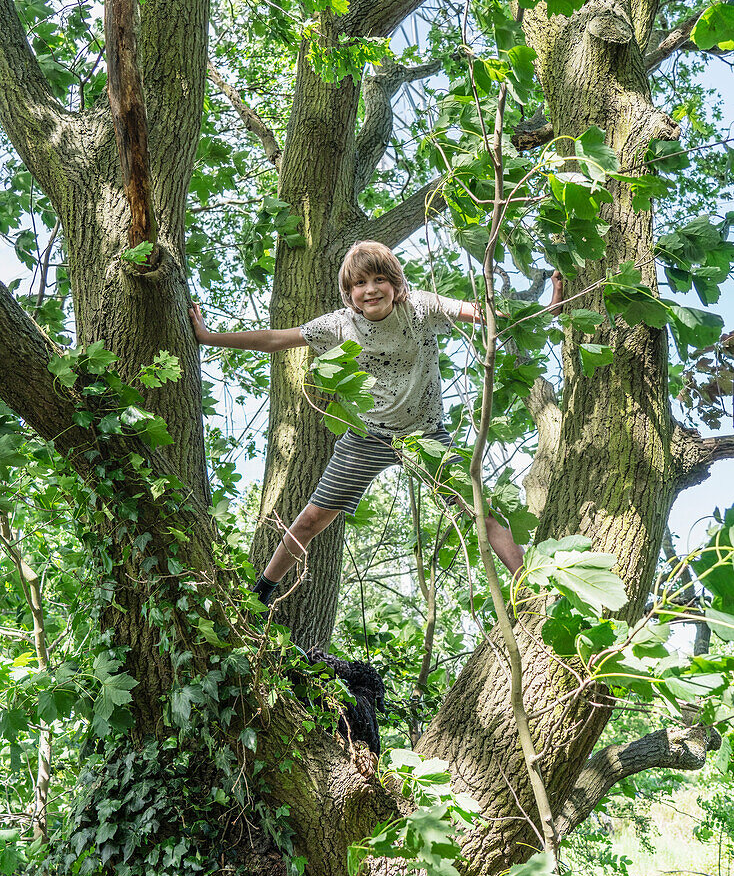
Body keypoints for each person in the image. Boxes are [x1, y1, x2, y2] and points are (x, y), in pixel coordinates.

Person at [189, 241, 563, 606]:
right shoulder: (338, 325)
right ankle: (262, 592)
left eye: (379, 279)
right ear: (349, 293)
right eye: (359, 283)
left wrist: (547, 309)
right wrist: (208, 337)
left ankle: (528, 588)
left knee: (481, 507)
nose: (370, 290)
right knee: (310, 520)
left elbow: (484, 313)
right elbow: (274, 339)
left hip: (426, 435)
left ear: (396, 283)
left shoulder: (422, 308)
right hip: (368, 437)